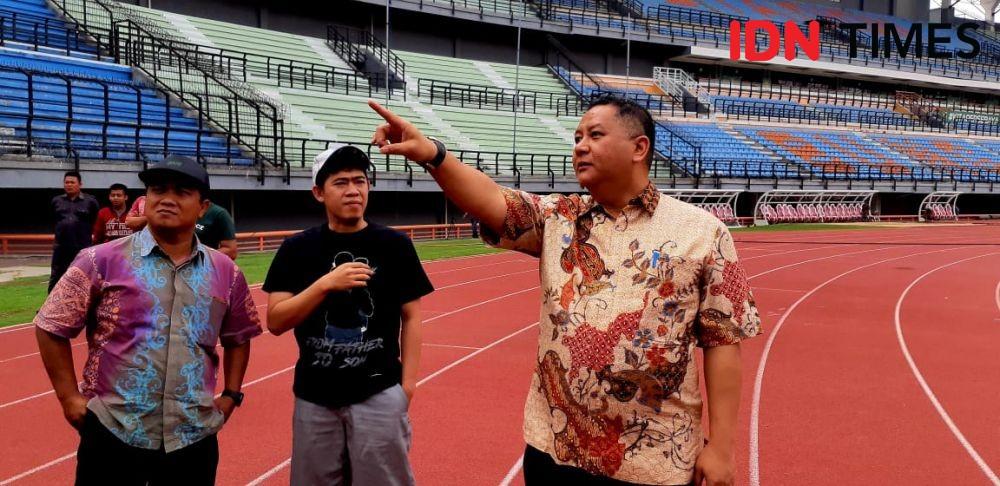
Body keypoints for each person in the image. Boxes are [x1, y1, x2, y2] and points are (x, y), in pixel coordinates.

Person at [369, 95, 762, 486]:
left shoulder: (702, 232)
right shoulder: (558, 218)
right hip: (554, 448)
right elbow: (491, 200)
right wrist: (433, 155)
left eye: (594, 135)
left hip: (652, 460)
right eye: (576, 138)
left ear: (639, 148)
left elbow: (723, 341)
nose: (579, 146)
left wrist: (722, 448)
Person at [34, 154, 263, 485]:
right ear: (145, 199)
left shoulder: (226, 272)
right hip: (114, 431)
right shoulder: (100, 260)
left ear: (203, 207)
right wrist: (69, 398)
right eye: (158, 190)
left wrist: (231, 395)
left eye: (182, 192)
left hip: (192, 436)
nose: (167, 199)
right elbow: (50, 325)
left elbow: (239, 336)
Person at [264, 144, 434, 486]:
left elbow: (412, 317)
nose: (354, 190)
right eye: (341, 182)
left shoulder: (395, 245)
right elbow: (276, 321)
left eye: (360, 181)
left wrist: (408, 387)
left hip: (379, 391)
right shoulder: (296, 249)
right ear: (318, 192)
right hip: (314, 396)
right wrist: (325, 285)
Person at [49, 170, 99, 292]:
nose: (69, 185)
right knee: (56, 276)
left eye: (72, 182)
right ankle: (50, 307)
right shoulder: (56, 201)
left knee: (83, 276)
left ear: (80, 184)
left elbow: (95, 220)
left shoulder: (90, 202)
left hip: (81, 247)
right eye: (66, 182)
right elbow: (53, 220)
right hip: (61, 247)